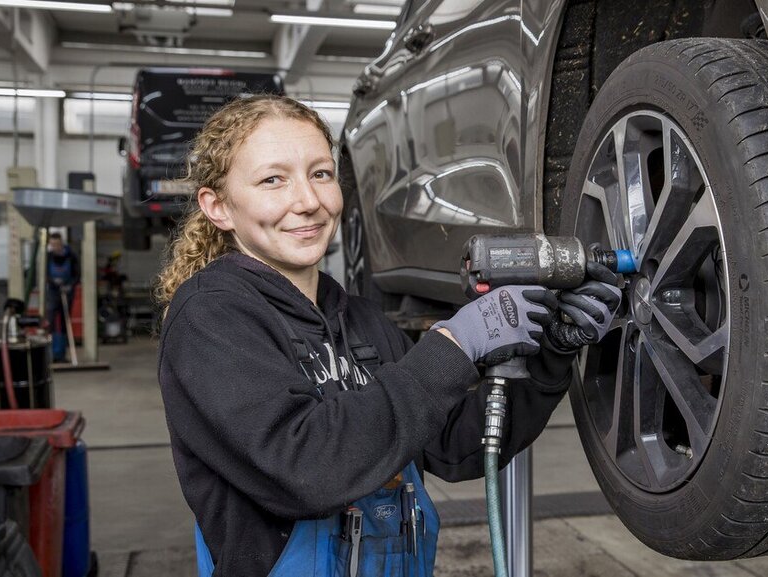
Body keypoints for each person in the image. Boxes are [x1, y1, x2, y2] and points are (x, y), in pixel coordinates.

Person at [154, 94, 622, 577]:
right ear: (218, 207)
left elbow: (455, 445)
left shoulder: (361, 321)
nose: (309, 201)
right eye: (273, 180)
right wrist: (453, 348)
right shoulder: (210, 318)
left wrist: (552, 353)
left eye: (321, 173)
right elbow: (305, 469)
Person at [45, 232, 80, 361]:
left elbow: (77, 274)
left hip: (67, 292)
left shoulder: (71, 256)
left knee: (66, 322)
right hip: (53, 292)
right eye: (52, 244)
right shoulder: (48, 257)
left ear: (62, 243)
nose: (55, 247)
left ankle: (63, 354)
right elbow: (45, 274)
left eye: (57, 244)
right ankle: (53, 354)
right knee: (52, 321)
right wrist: (53, 282)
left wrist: (69, 285)